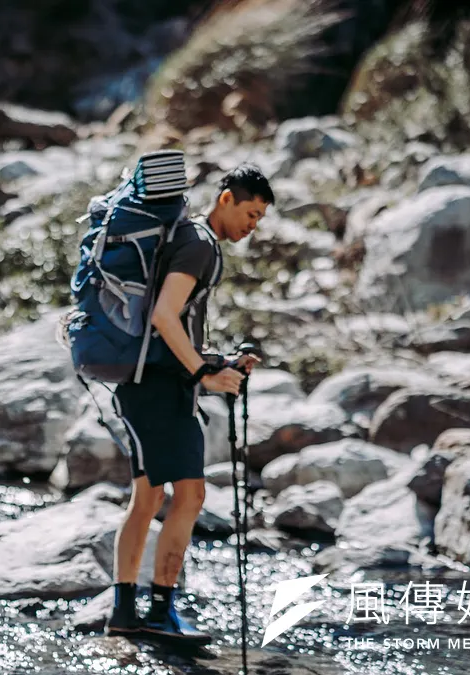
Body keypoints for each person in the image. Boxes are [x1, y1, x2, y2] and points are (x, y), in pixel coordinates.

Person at [104, 164, 273, 645]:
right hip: (158, 389)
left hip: (147, 383)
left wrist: (219, 360)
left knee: (151, 499)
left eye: (259, 218)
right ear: (226, 199)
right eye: (251, 212)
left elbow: (176, 323)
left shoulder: (190, 239)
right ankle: (158, 611)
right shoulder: (199, 244)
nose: (252, 225)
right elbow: (163, 316)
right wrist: (204, 373)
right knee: (189, 496)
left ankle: (126, 613)